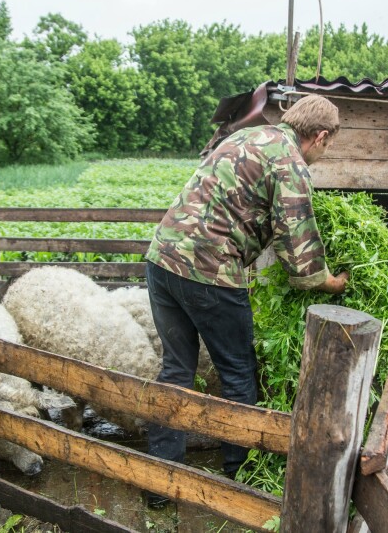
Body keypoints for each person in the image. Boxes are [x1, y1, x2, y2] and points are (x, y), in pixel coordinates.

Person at [144, 94, 348, 507]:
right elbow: (299, 248)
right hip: (210, 273)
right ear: (320, 136)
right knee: (238, 372)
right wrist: (331, 282)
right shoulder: (290, 161)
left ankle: (159, 484)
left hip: (162, 260)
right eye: (327, 147)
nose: (323, 155)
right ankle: (242, 476)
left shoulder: (248, 136)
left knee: (175, 370)